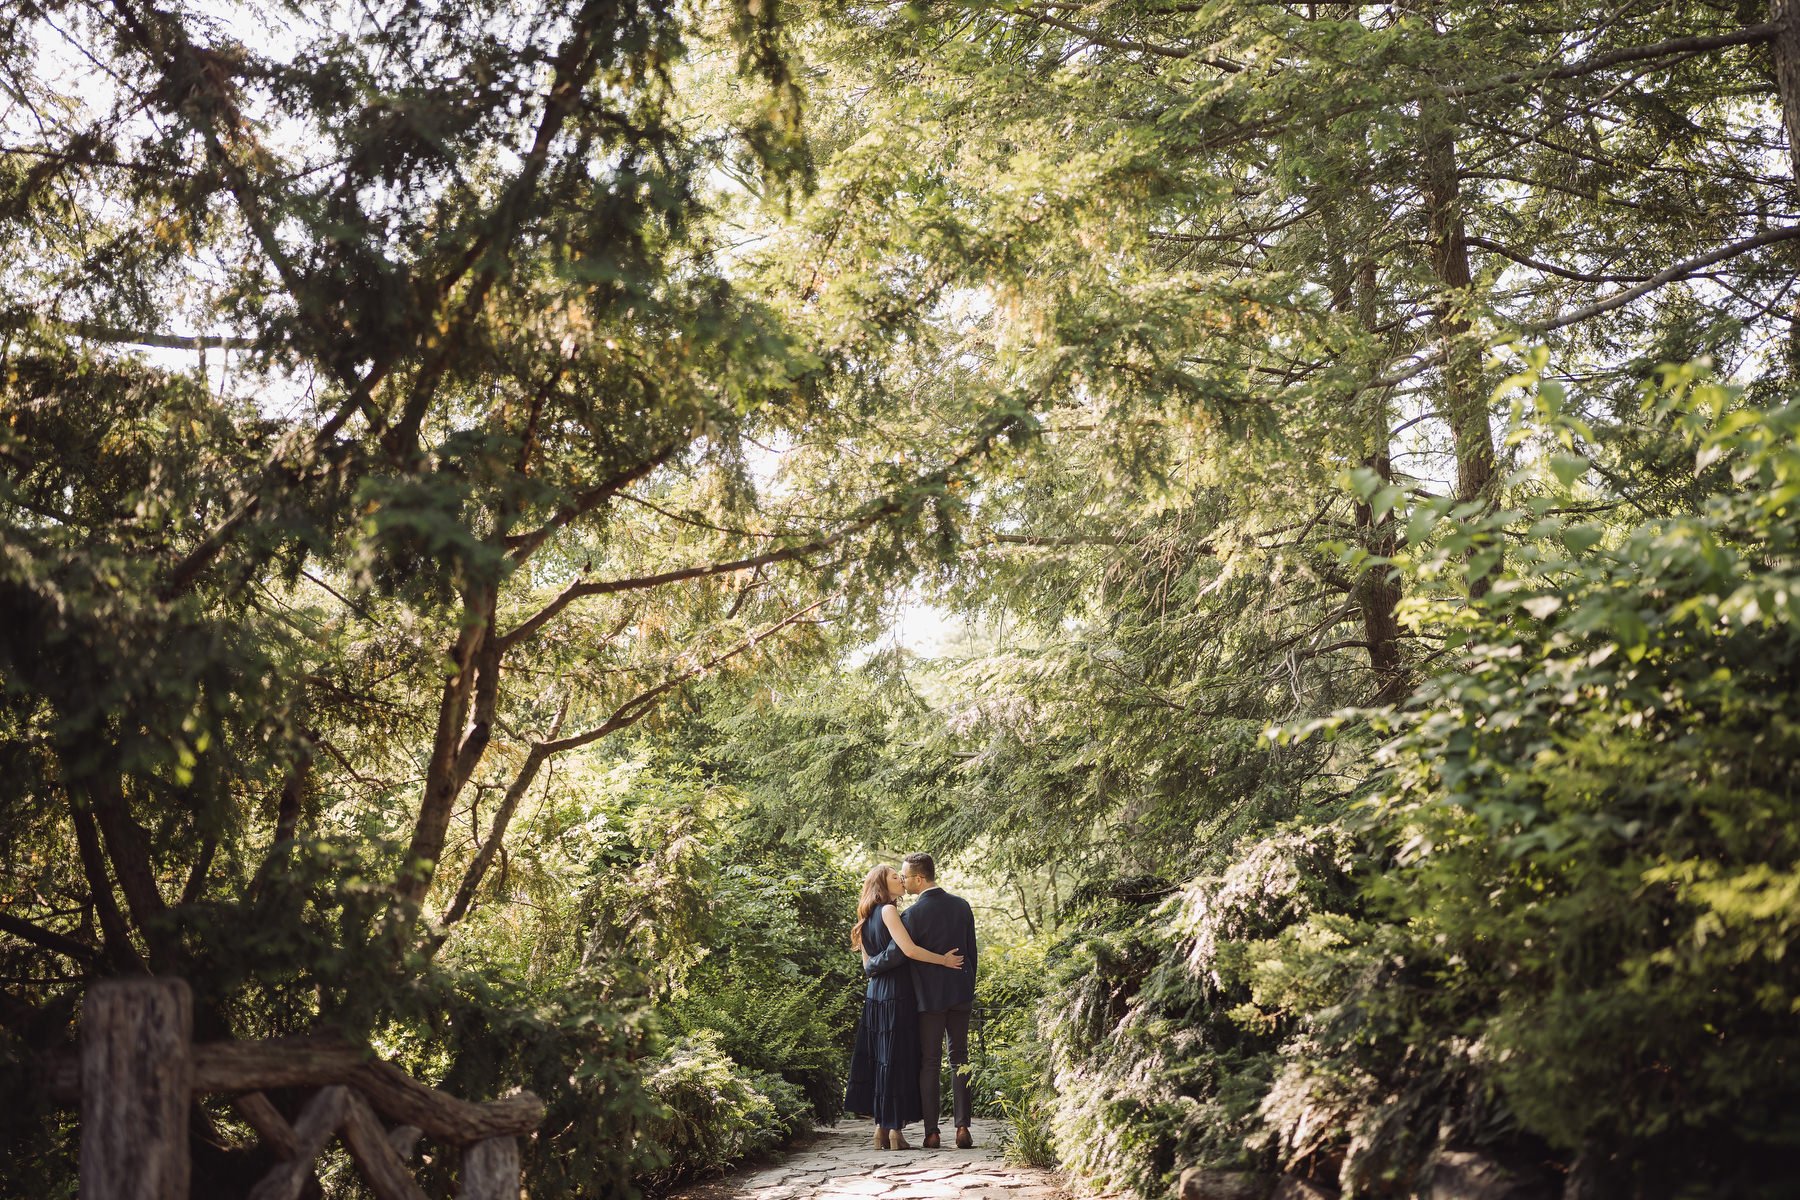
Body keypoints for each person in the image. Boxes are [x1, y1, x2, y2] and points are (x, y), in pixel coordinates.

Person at [842, 864, 965, 1150]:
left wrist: (875, 968)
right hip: (896, 992)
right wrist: (943, 960)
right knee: (896, 1060)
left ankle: (881, 1129)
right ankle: (895, 1131)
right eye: (895, 877)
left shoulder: (865, 917)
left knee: (881, 1059)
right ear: (882, 885)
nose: (901, 880)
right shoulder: (889, 910)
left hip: (875, 994)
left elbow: (868, 966)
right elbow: (908, 950)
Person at [867, 852, 979, 1149]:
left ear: (919, 878)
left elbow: (896, 954)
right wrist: (967, 987)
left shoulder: (912, 915)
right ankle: (963, 1128)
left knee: (929, 1062)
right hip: (960, 994)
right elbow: (972, 953)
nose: (903, 881)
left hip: (928, 1000)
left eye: (905, 876)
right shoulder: (962, 905)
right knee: (960, 1059)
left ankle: (932, 1133)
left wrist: (871, 965)